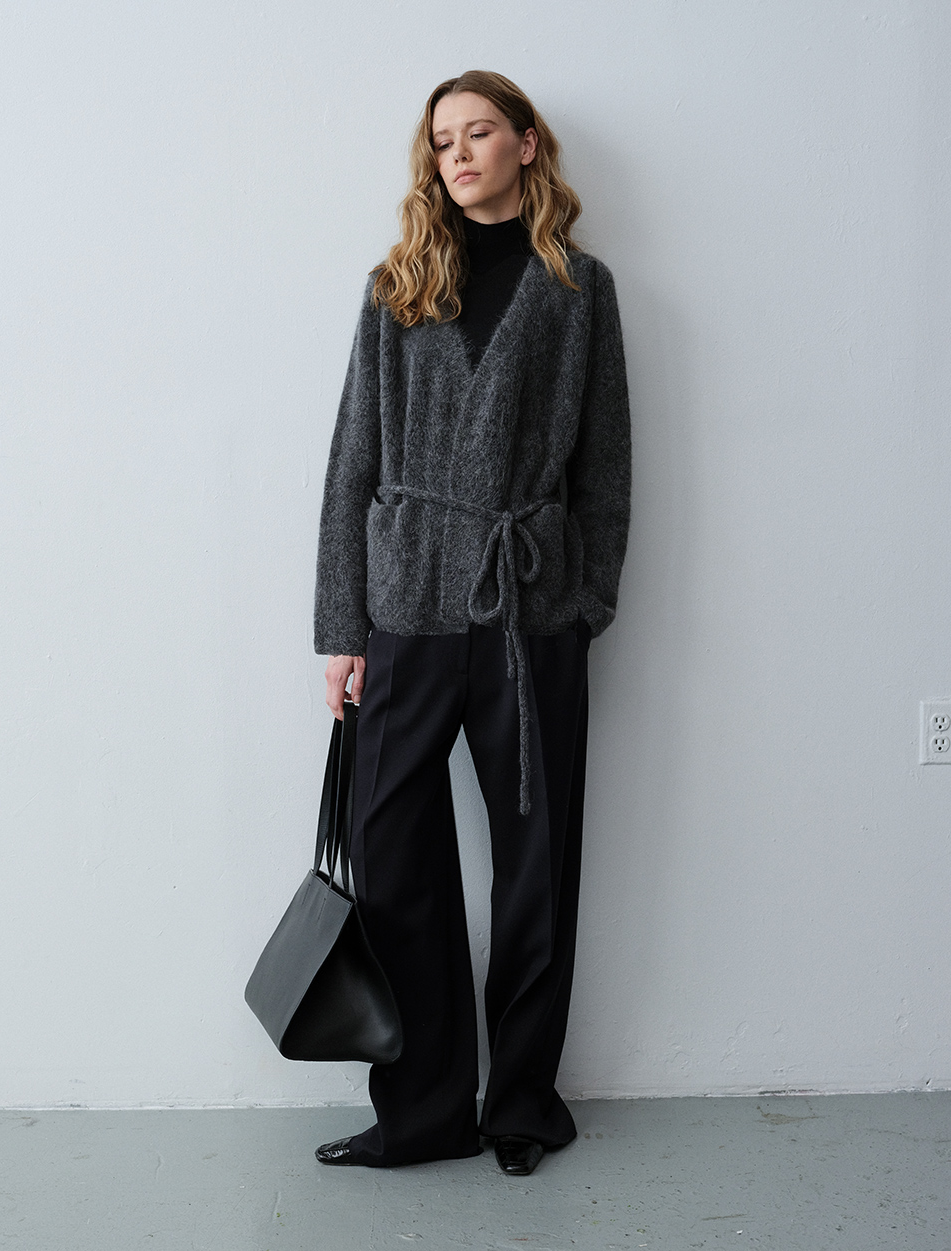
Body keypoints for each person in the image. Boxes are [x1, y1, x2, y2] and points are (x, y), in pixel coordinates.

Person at [311, 70, 631, 1175]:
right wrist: (342, 629)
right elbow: (352, 462)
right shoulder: (397, 285)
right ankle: (423, 1111)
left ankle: (522, 1104)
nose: (457, 153)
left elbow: (605, 466)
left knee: (536, 863)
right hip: (406, 604)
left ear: (525, 145)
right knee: (392, 852)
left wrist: (584, 603)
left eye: (479, 131)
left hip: (528, 609)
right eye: (442, 138)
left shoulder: (579, 290)